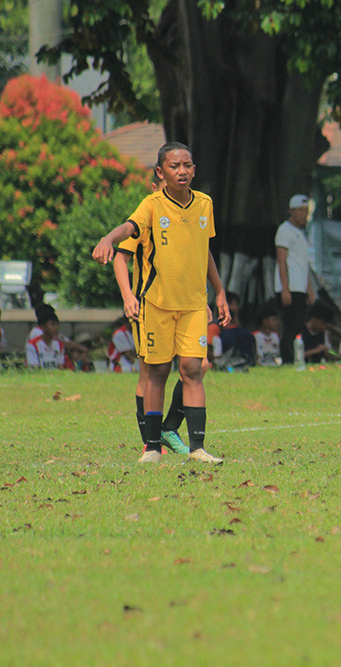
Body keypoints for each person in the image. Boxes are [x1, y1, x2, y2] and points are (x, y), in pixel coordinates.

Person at [92, 141, 230, 464]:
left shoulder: (205, 204)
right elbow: (127, 235)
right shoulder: (151, 206)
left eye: (188, 166)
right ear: (160, 172)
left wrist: (219, 290)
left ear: (194, 169)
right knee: (155, 372)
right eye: (174, 166)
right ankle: (152, 447)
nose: (182, 171)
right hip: (155, 304)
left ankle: (197, 447)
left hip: (194, 304)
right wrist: (109, 239)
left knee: (195, 368)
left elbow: (204, 249)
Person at [275, 194, 317, 365]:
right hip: (289, 287)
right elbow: (281, 260)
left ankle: (296, 358)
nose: (303, 215)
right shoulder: (285, 230)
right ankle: (287, 359)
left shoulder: (300, 233)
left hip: (300, 287)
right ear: (291, 211)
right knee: (289, 325)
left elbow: (303, 264)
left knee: (299, 324)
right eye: (300, 211)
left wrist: (309, 288)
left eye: (306, 211)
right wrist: (285, 288)